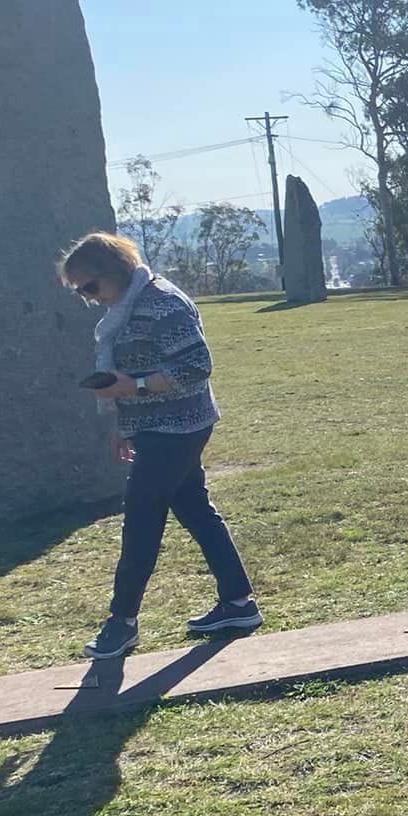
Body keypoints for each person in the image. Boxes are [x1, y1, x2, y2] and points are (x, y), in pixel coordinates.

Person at [62, 231, 261, 661]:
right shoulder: (123, 310)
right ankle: (239, 604)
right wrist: (122, 424)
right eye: (80, 293)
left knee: (141, 520)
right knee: (194, 510)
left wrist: (131, 387)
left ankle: (123, 622)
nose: (89, 298)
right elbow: (126, 374)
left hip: (179, 427)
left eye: (90, 287)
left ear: (113, 270)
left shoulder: (163, 303)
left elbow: (196, 366)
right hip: (155, 428)